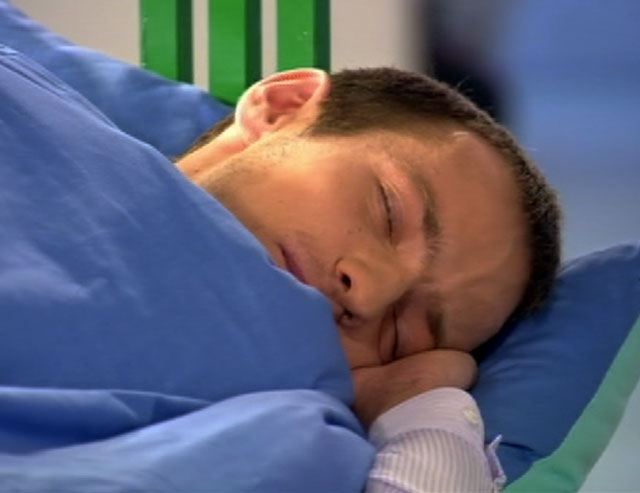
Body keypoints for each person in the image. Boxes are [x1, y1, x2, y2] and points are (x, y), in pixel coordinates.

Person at [177, 67, 561, 491]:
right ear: (281, 108)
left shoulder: (278, 442)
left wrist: (421, 397)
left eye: (398, 335)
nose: (368, 296)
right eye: (389, 213)